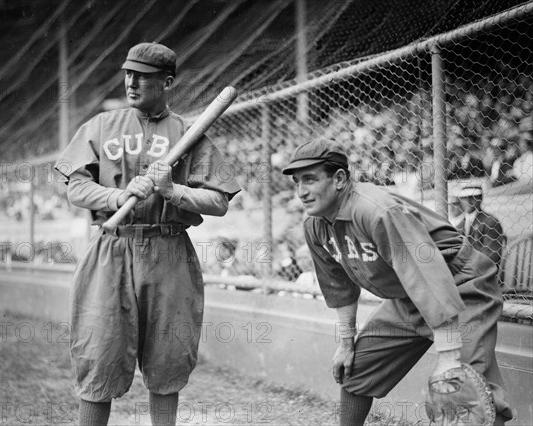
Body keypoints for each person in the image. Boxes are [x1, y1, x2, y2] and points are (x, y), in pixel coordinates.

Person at [55, 42, 241, 426]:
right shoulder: (101, 126)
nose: (132, 82)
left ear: (167, 81)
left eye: (142, 76)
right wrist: (117, 194)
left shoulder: (187, 133)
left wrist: (175, 191)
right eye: (128, 74)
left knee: (167, 357)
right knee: (98, 353)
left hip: (168, 249)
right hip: (113, 246)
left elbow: (220, 200)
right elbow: (75, 186)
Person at [281, 139, 512, 425]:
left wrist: (449, 353)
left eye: (310, 180)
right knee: (357, 370)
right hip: (408, 295)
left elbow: (427, 277)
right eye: (297, 182)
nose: (301, 191)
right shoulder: (315, 226)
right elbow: (340, 291)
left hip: (459, 285)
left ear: (339, 179)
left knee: (464, 390)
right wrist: (345, 344)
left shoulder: (376, 210)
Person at [456, 185, 506, 270]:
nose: (468, 201)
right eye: (464, 198)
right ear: (460, 200)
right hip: (465, 271)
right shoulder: (459, 225)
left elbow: (491, 256)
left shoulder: (490, 222)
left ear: (480, 198)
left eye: (472, 197)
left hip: (483, 273)